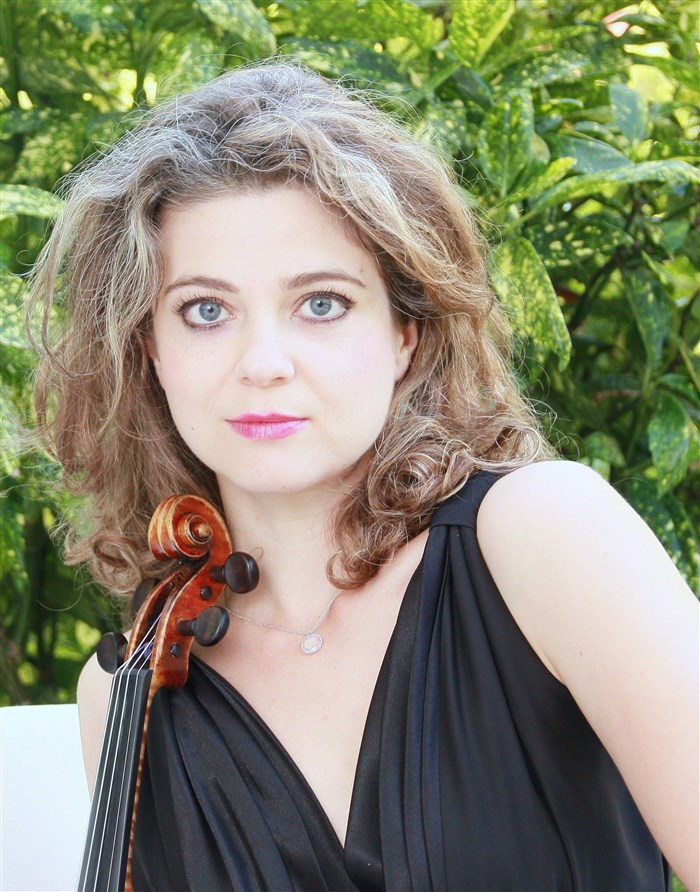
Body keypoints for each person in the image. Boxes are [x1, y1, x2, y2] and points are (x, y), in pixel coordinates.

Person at [32, 62, 698, 891]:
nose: (264, 364)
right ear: (151, 350)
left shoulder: (545, 537)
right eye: (206, 310)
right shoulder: (125, 697)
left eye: (322, 303)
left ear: (405, 335)